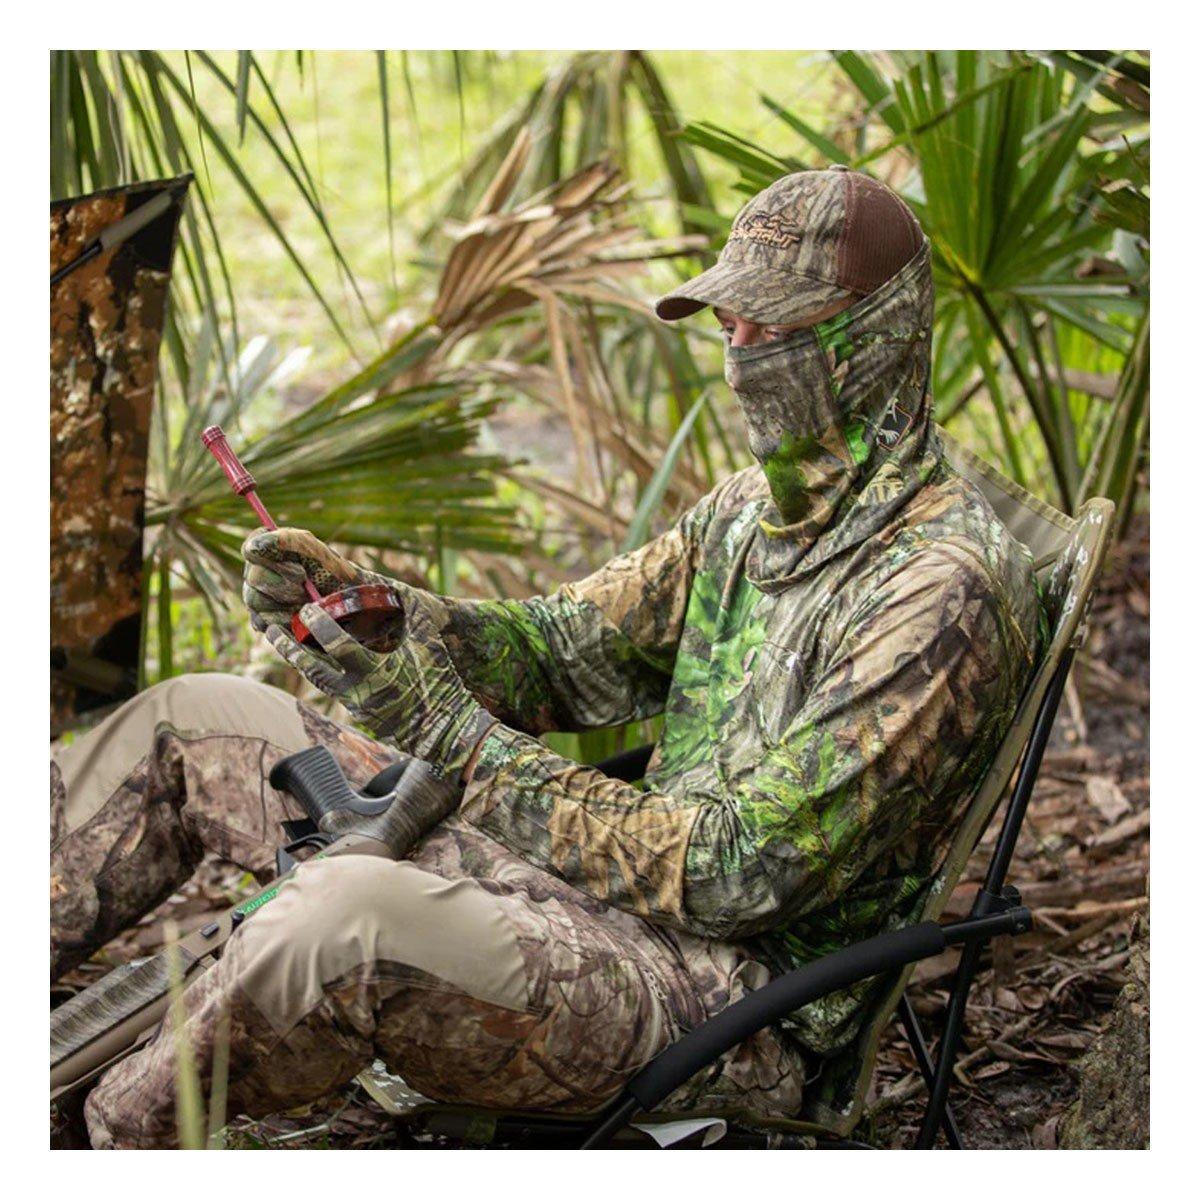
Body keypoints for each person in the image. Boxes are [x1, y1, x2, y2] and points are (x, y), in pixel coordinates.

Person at [51, 168, 1041, 1149]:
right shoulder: (753, 512)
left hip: (731, 1000)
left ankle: (100, 1139)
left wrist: (460, 741)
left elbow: (738, 874)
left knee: (339, 921)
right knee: (195, 720)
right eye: (729, 324)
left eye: (772, 328)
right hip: (585, 887)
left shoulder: (940, 595)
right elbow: (561, 652)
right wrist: (390, 618)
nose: (739, 355)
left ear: (874, 339)